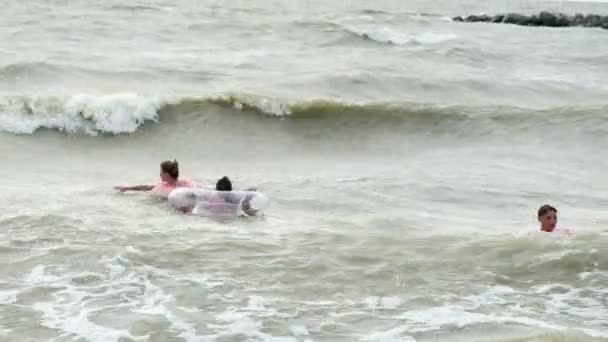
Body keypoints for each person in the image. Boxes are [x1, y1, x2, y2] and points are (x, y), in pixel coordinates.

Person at [114, 160, 198, 196]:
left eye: (161, 172)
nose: (160, 175)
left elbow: (148, 190)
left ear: (166, 174)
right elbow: (147, 187)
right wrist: (128, 188)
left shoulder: (164, 189)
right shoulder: (185, 182)